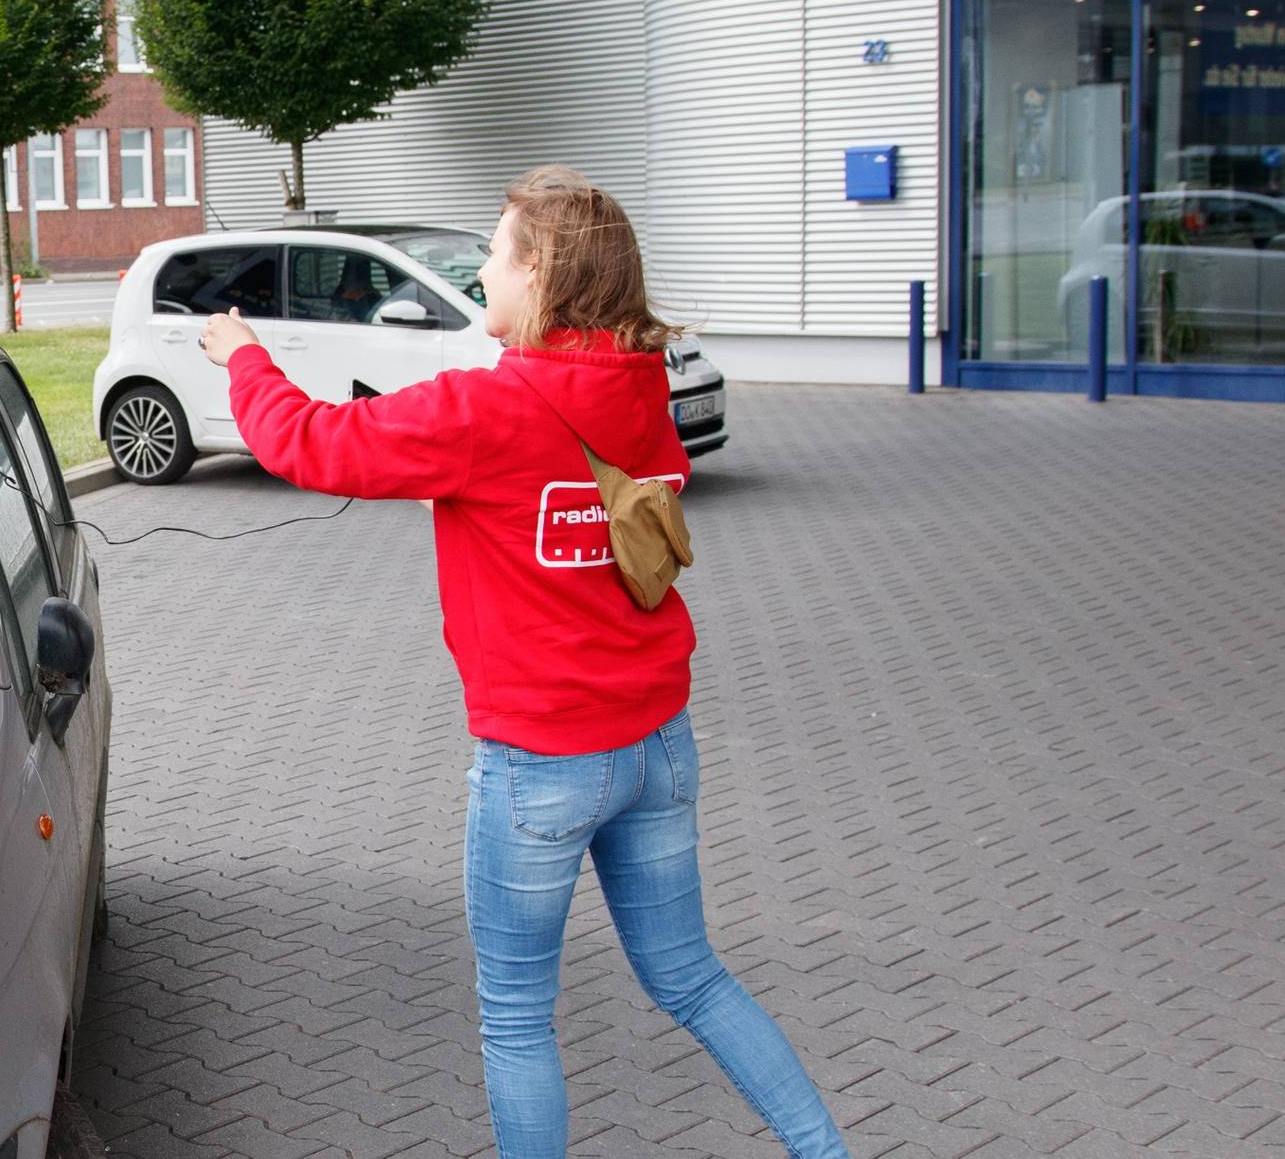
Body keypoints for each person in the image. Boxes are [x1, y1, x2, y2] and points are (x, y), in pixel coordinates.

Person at [198, 166, 850, 1159]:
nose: (482, 273)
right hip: (658, 746)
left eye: (494, 255)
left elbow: (308, 442)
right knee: (691, 976)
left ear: (540, 271)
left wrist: (243, 355)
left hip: (542, 766)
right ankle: (827, 1149)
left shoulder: (480, 412)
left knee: (516, 1015)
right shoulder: (642, 387)